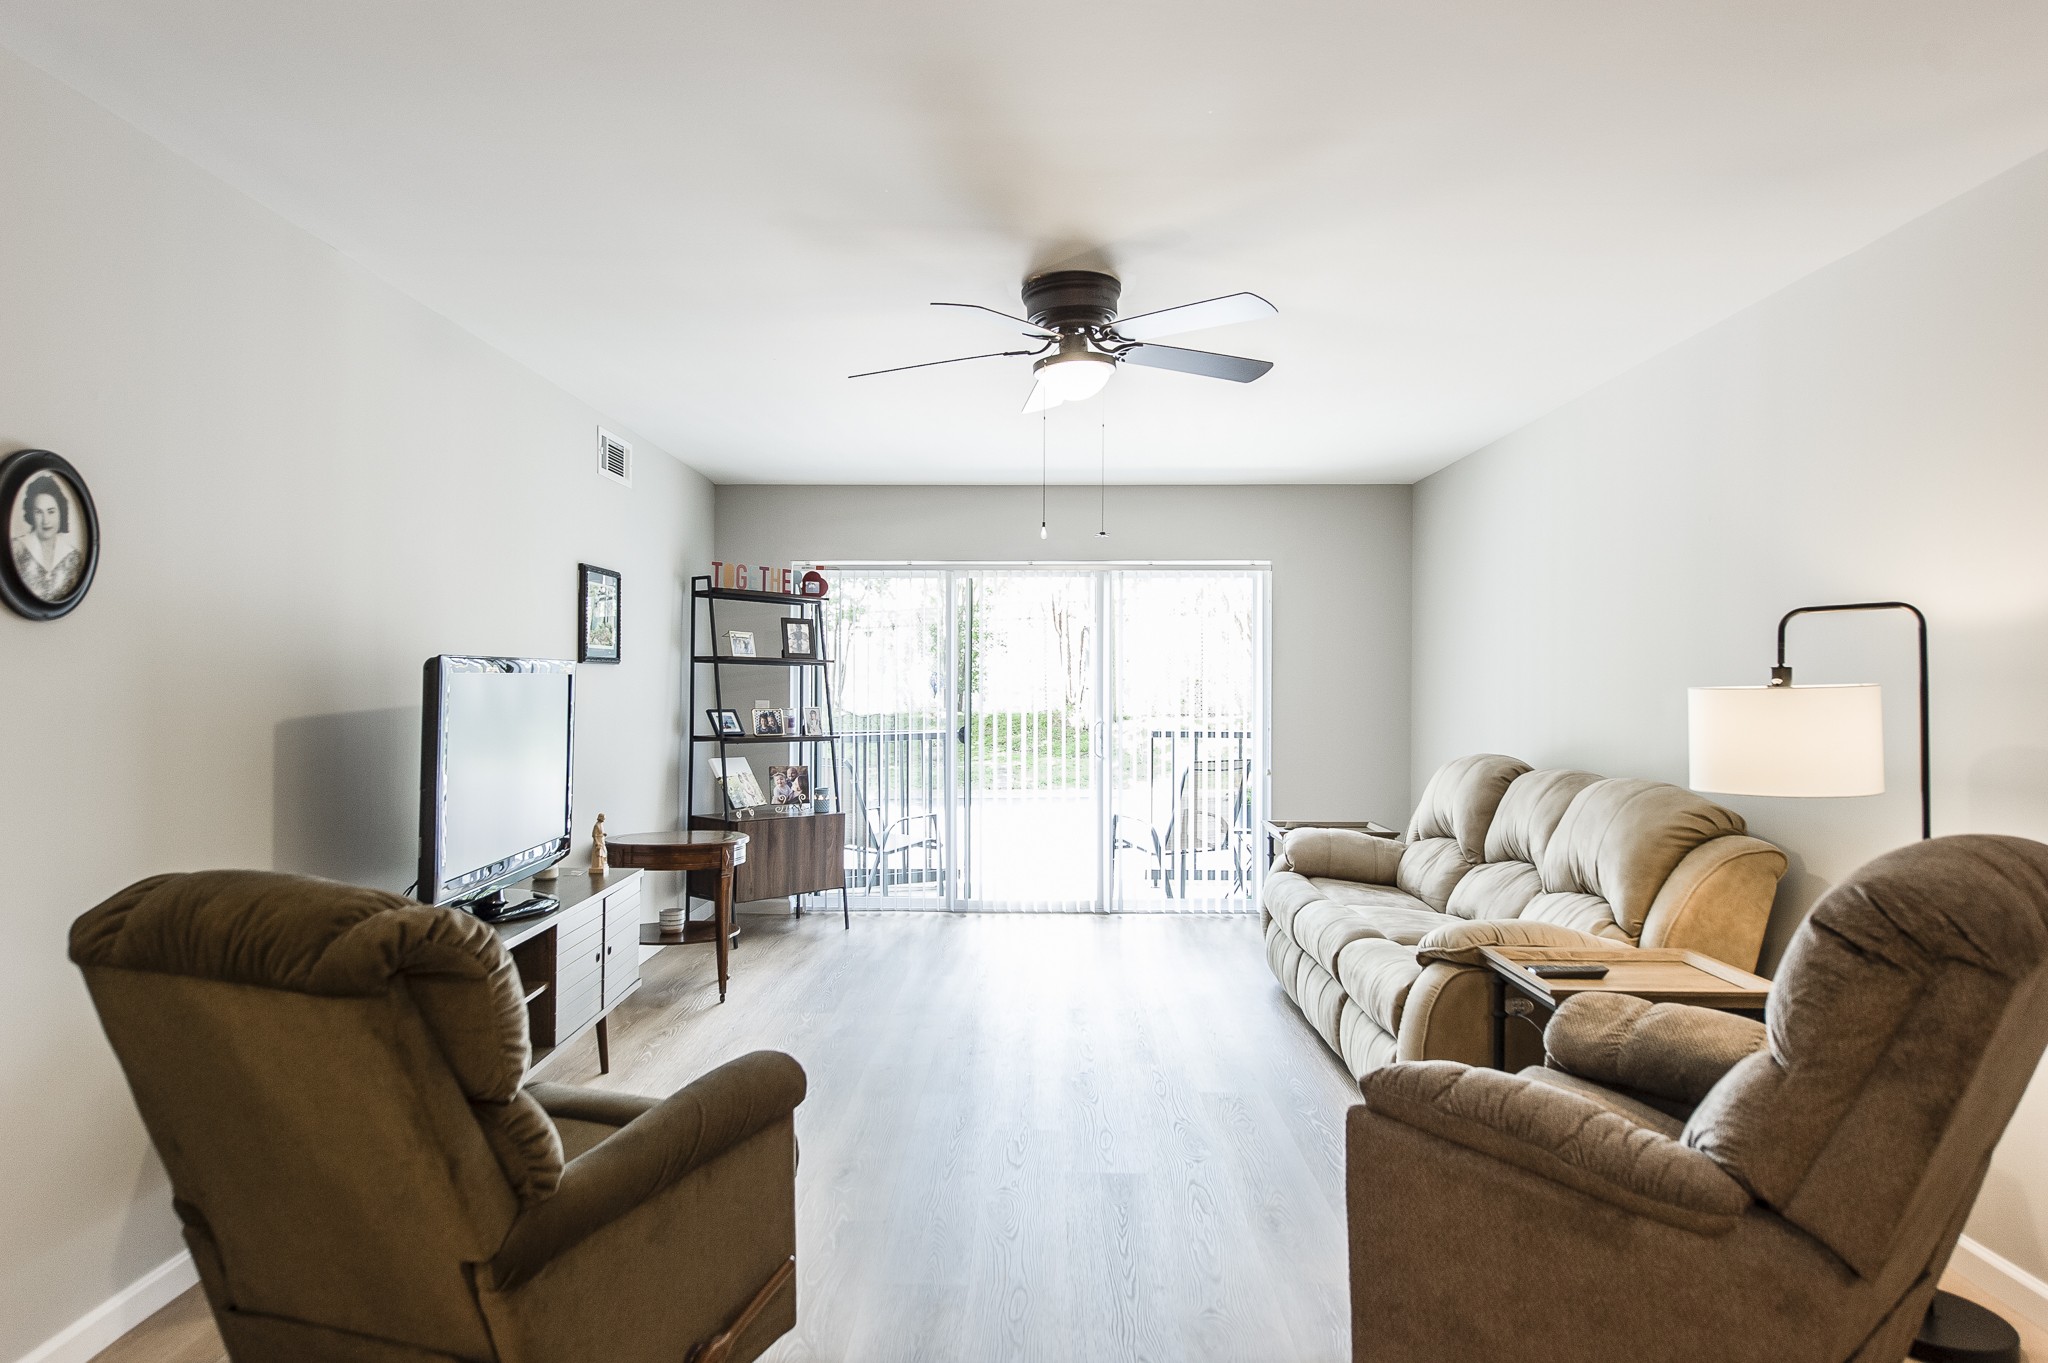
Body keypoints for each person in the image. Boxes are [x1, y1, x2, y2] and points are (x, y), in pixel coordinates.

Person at [11, 474, 83, 601]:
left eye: (51, 512)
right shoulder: (17, 548)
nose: (46, 521)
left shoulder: (73, 557)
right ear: (31, 515)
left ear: (61, 513)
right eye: (39, 512)